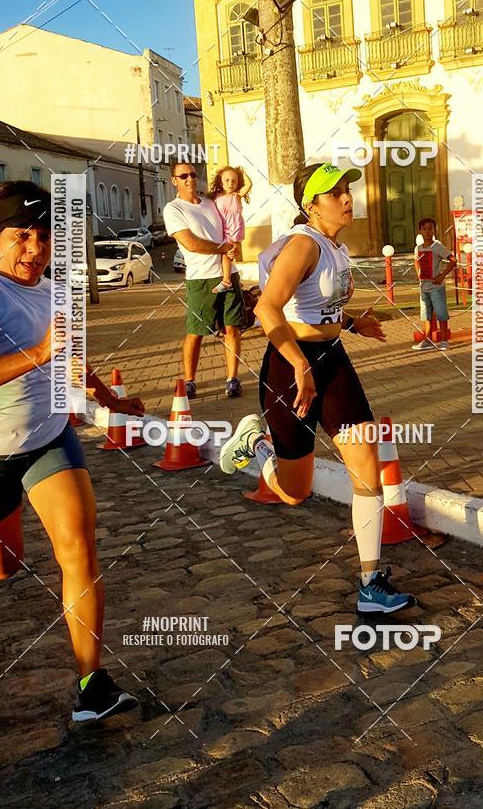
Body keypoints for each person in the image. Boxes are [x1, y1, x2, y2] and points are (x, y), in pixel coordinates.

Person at [218, 162, 416, 615]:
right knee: (295, 492)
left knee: (366, 463)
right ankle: (258, 445)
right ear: (311, 205)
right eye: (336, 193)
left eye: (348, 190)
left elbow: (317, 305)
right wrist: (298, 365)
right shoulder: (304, 244)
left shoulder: (333, 246)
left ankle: (370, 582)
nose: (348, 198)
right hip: (290, 368)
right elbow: (268, 310)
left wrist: (351, 322)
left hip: (333, 361)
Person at [0, 180, 144, 722]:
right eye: (21, 235)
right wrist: (37, 352)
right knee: (4, 566)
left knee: (79, 551)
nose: (35, 248)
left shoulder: (56, 291)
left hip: (50, 438)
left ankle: (92, 685)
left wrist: (105, 395)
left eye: (45, 235)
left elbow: (68, 356)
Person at [163, 157, 246, 398]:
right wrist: (223, 248)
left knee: (232, 329)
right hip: (201, 280)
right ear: (174, 181)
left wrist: (235, 246)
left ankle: (232, 378)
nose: (190, 179)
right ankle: (190, 380)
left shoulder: (211, 203)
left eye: (193, 174)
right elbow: (191, 244)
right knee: (196, 332)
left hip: (229, 273)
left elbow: (231, 227)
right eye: (183, 176)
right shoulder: (174, 208)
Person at [411, 218, 456, 352]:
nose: (427, 232)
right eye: (424, 229)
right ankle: (428, 340)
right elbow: (416, 261)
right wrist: (418, 273)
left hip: (436, 287)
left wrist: (442, 276)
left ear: (434, 230)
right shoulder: (418, 248)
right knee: (426, 315)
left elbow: (452, 260)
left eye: (430, 229)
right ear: (420, 231)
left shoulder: (437, 246)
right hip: (424, 287)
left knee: (441, 313)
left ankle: (443, 341)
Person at [207, 166, 252, 294]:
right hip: (224, 230)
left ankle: (227, 281)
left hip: (235, 230)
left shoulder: (236, 196)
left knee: (227, 255)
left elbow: (249, 184)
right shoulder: (216, 197)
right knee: (229, 255)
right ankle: (233, 280)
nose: (230, 183)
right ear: (220, 181)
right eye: (227, 180)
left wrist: (242, 171)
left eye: (234, 181)